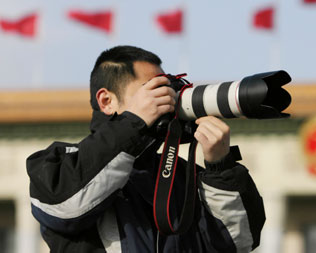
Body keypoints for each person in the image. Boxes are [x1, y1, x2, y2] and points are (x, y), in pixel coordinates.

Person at [26, 45, 265, 252]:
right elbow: (68, 207)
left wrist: (220, 168)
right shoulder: (57, 165)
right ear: (106, 101)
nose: (168, 100)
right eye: (153, 90)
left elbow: (237, 243)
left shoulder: (183, 175)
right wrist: (135, 125)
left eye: (169, 89)